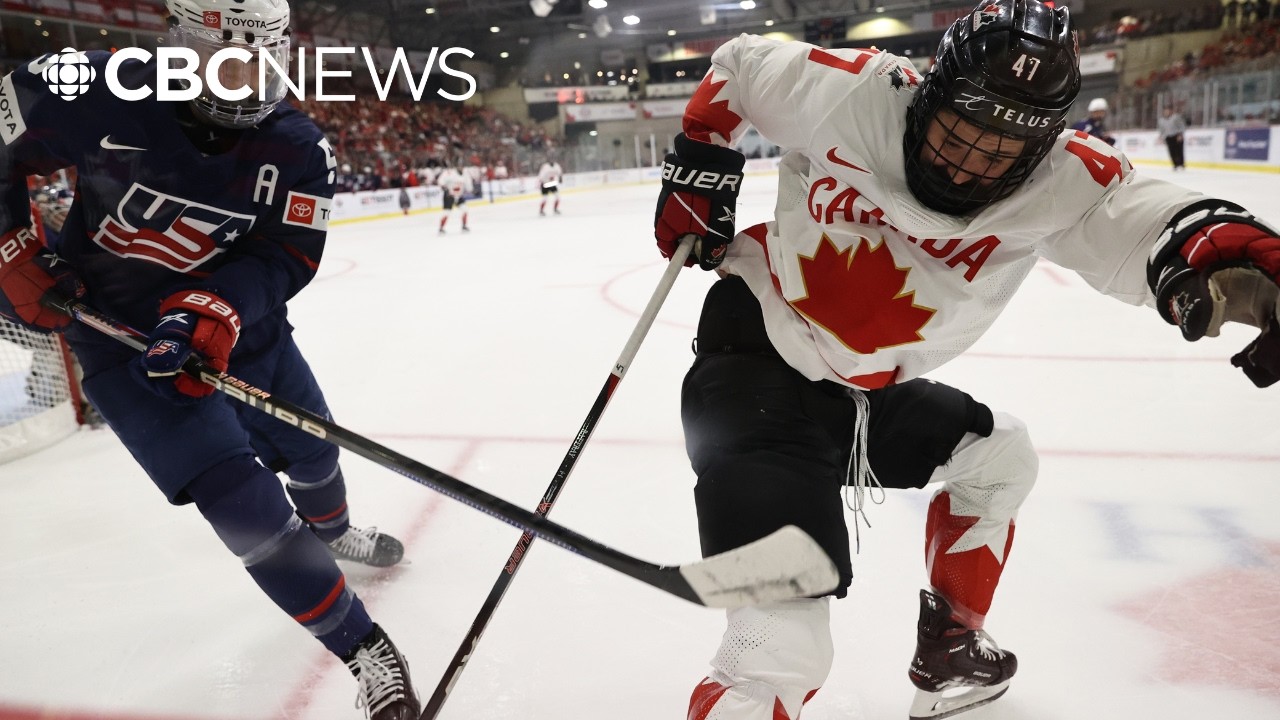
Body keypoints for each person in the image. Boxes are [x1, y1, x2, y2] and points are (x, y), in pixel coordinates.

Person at [652, 1, 1280, 718]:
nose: (970, 159)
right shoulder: (851, 92)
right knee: (778, 652)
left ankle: (950, 648)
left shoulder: (1062, 181)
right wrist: (701, 159)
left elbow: (1161, 221)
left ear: (1041, 143)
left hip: (856, 393)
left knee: (1000, 457)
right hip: (756, 363)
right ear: (930, 95)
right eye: (961, 128)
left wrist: (1226, 252)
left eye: (1001, 149)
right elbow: (740, 65)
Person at [0, 1, 421, 718]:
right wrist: (9, 244)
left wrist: (216, 307)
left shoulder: (298, 146)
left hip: (236, 327)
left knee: (312, 445)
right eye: (229, 59)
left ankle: (335, 532)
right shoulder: (100, 85)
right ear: (182, 49)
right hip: (115, 336)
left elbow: (287, 253)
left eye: (263, 59)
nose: (249, 80)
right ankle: (364, 648)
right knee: (240, 503)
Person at [437, 163, 470, 234]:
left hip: (459, 196)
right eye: (459, 166)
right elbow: (441, 181)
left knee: (465, 209)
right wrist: (444, 187)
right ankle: (441, 228)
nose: (461, 167)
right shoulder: (450, 173)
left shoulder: (465, 175)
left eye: (462, 166)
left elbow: (468, 187)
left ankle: (464, 226)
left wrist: (472, 190)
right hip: (449, 196)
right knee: (447, 212)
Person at [1157, 105, 1188, 170]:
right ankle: (1175, 164)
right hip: (1168, 137)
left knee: (1179, 150)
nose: (1166, 112)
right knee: (1171, 151)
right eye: (1165, 111)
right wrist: (1161, 137)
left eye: (1168, 110)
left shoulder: (1176, 117)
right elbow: (1161, 130)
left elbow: (1181, 125)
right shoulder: (1161, 120)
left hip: (1177, 136)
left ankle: (1181, 164)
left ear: (1171, 111)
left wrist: (1180, 134)